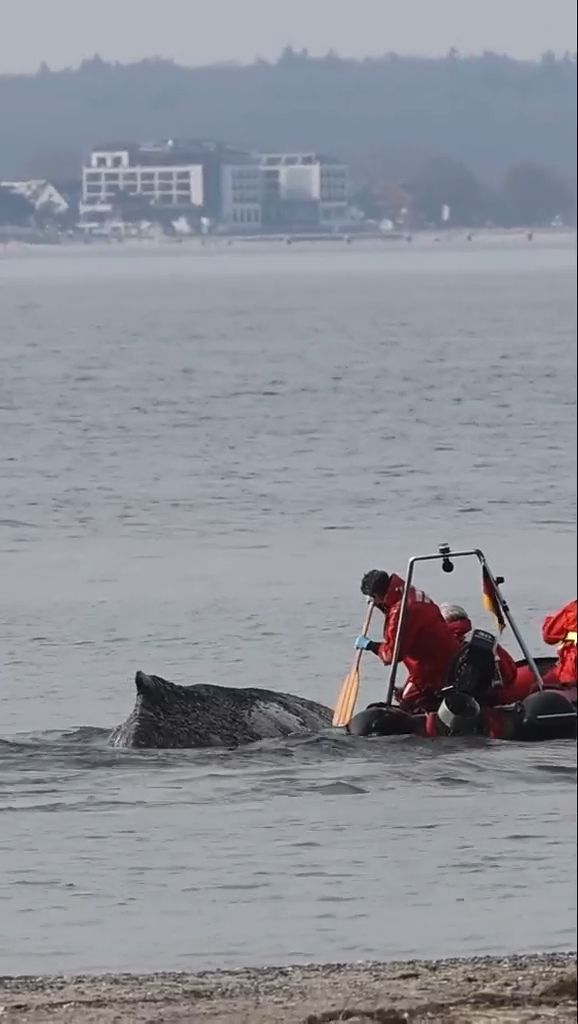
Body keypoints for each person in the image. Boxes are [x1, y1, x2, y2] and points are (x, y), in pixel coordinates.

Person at [354, 570, 461, 712]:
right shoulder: (411, 593)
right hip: (448, 657)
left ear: (376, 595)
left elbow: (392, 655)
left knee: (409, 706)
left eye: (372, 597)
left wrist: (371, 646)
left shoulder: (401, 610)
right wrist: (381, 605)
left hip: (431, 669)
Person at [439, 603, 535, 705]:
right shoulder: (486, 641)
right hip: (492, 703)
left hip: (451, 706)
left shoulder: (439, 645)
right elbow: (510, 673)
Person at [516, 599, 577, 692]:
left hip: (570, 675)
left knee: (537, 689)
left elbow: (549, 635)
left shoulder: (573, 610)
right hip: (570, 673)